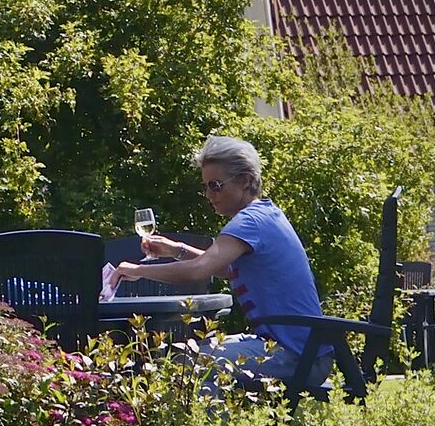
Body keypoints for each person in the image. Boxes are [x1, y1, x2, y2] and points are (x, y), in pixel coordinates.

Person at [113, 134, 324, 376]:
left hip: (298, 357)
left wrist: (138, 271)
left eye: (215, 185)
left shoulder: (250, 222)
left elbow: (199, 270)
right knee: (191, 357)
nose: (208, 194)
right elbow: (224, 268)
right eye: (205, 186)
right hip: (304, 350)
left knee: (192, 365)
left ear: (244, 181)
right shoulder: (266, 214)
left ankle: (200, 416)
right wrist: (175, 250)